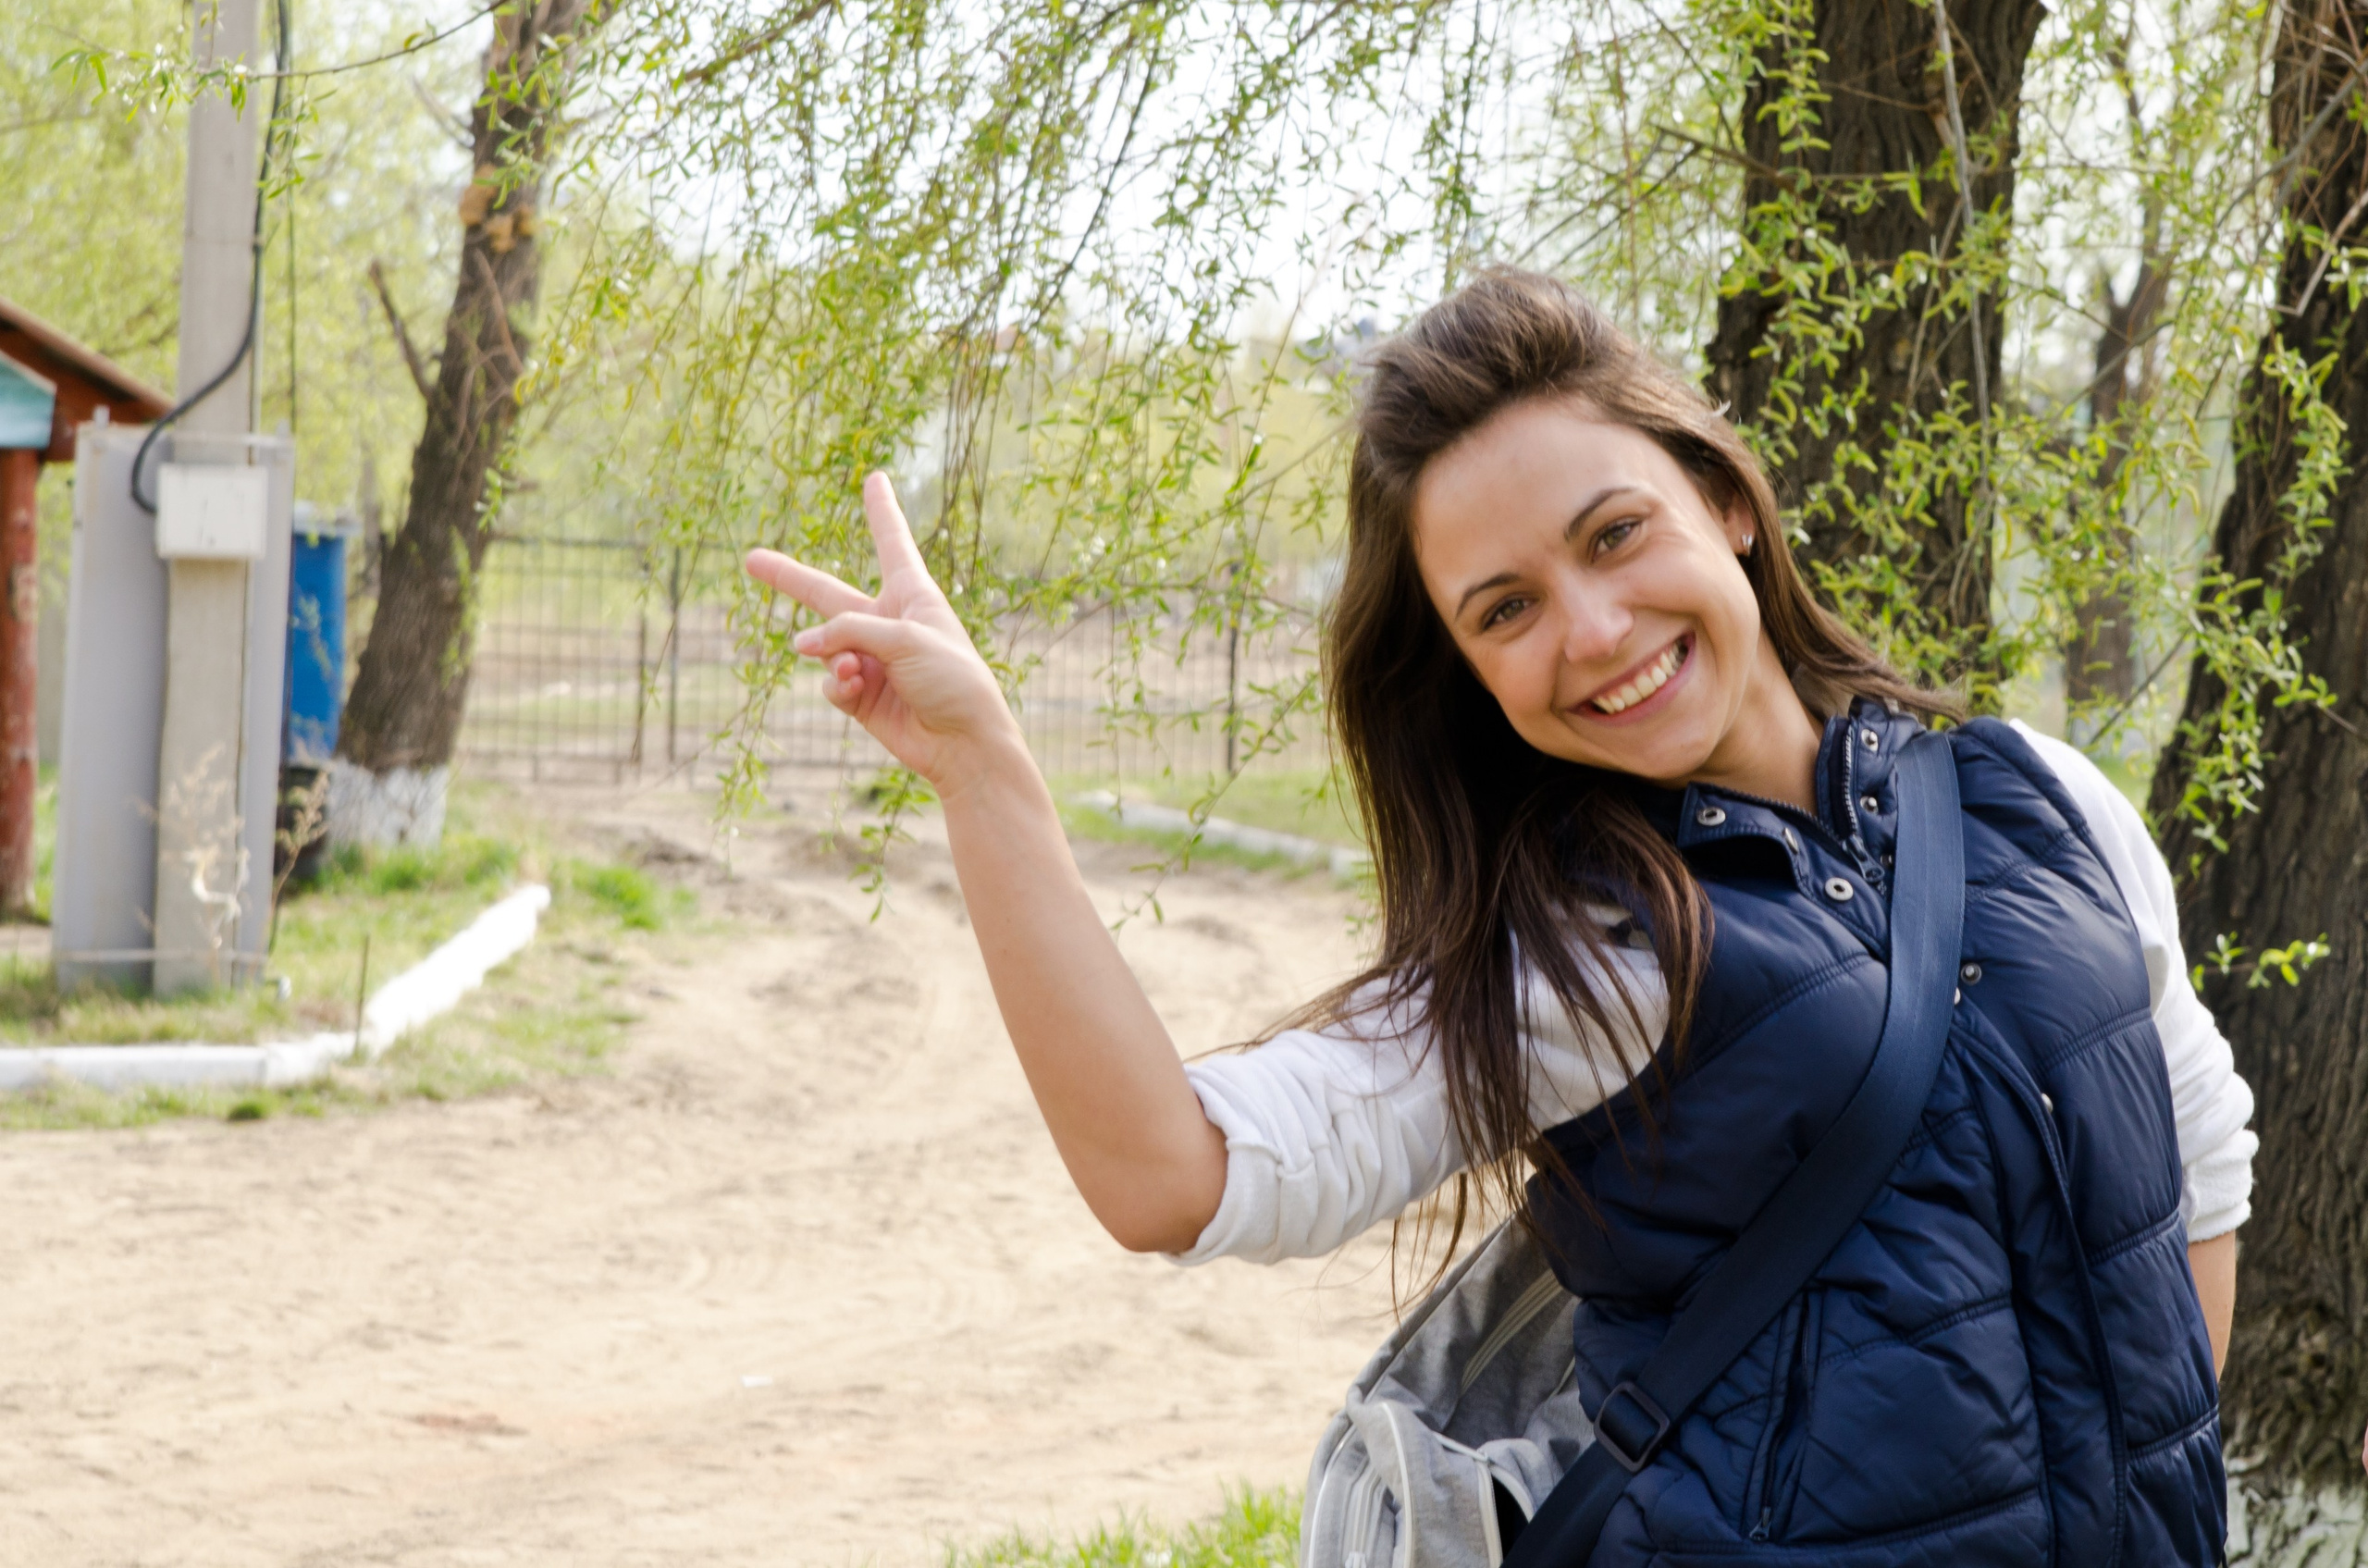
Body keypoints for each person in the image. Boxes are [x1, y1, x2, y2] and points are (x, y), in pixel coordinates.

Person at [744, 268, 2254, 1564]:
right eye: (1506, 609)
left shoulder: (2039, 799)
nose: (1593, 633)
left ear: (1724, 500)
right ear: (1465, 669)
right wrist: (986, 777)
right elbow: (1168, 1174)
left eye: (1614, 536)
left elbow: (2191, 1170)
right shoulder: (1580, 958)